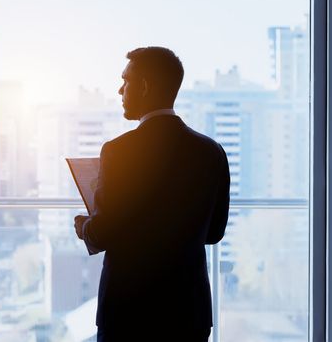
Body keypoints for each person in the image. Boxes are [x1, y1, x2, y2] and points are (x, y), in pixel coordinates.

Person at [74, 47, 230, 341]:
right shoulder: (212, 152)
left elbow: (102, 233)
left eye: (126, 80)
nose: (120, 89)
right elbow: (214, 233)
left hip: (129, 312)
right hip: (189, 312)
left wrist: (84, 226)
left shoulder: (118, 151)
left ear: (145, 86)